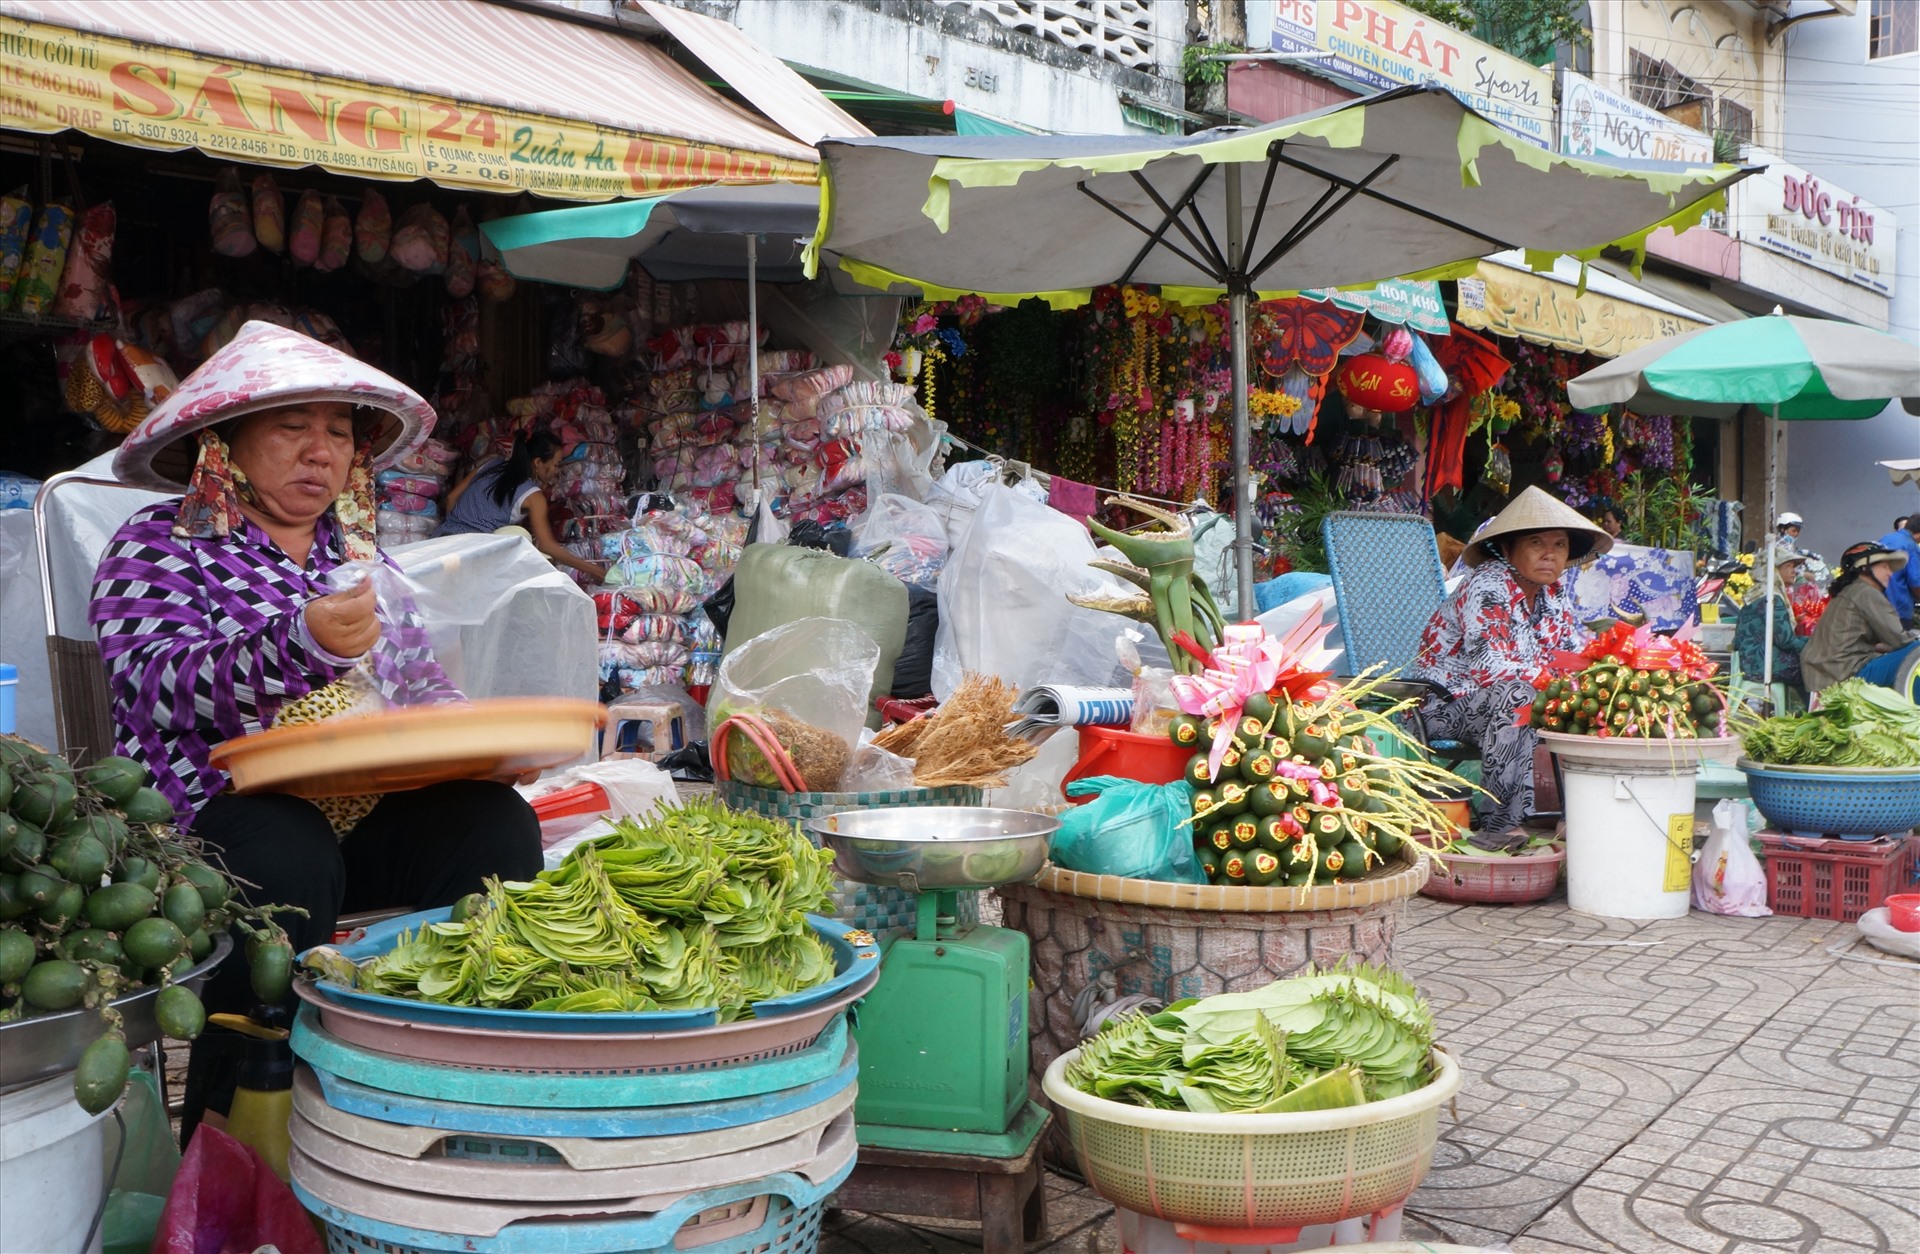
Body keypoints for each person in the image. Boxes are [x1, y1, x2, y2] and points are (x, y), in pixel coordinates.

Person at [89, 321, 543, 1138]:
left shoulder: (368, 562)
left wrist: (480, 751)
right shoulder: (159, 545)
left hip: (358, 823)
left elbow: (423, 696)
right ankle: (237, 1123)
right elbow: (157, 683)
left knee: (494, 825)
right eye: (292, 428)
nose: (320, 452)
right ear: (222, 443)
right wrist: (295, 643)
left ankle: (437, 1083)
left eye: (338, 433)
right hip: (212, 828)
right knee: (283, 845)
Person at [1412, 487, 1612, 850]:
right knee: (1518, 693)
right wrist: (1558, 684)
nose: (1550, 555)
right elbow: (1493, 669)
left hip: (1516, 705)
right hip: (1443, 707)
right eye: (1536, 543)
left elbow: (1573, 654)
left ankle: (1586, 814)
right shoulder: (1487, 583)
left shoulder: (1553, 593)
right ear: (1507, 549)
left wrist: (1603, 673)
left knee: (1600, 693)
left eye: (1560, 545)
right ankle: (1500, 825)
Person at [437, 431, 606, 581]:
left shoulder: (492, 464)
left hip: (440, 542)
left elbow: (452, 498)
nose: (557, 471)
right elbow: (547, 545)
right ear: (538, 462)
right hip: (470, 557)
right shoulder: (533, 496)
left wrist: (456, 532)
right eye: (556, 464)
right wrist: (593, 569)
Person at [1802, 542, 1920, 696]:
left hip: (1824, 675)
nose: (1890, 573)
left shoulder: (1850, 591)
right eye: (1884, 567)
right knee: (1916, 652)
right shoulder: (1866, 593)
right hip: (1845, 676)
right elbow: (1899, 640)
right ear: (1865, 568)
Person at [1734, 547, 1810, 695]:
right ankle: (1804, 711)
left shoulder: (1759, 591)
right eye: (1788, 566)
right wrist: (1812, 644)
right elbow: (1786, 641)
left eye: (1793, 566)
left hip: (1752, 660)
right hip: (1761, 664)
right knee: (1815, 667)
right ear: (1773, 570)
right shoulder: (1771, 597)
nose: (1794, 571)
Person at [1873, 517, 1920, 629]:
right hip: (1898, 607)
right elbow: (1916, 582)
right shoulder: (1910, 546)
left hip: (1876, 604)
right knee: (1900, 644)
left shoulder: (1885, 538)